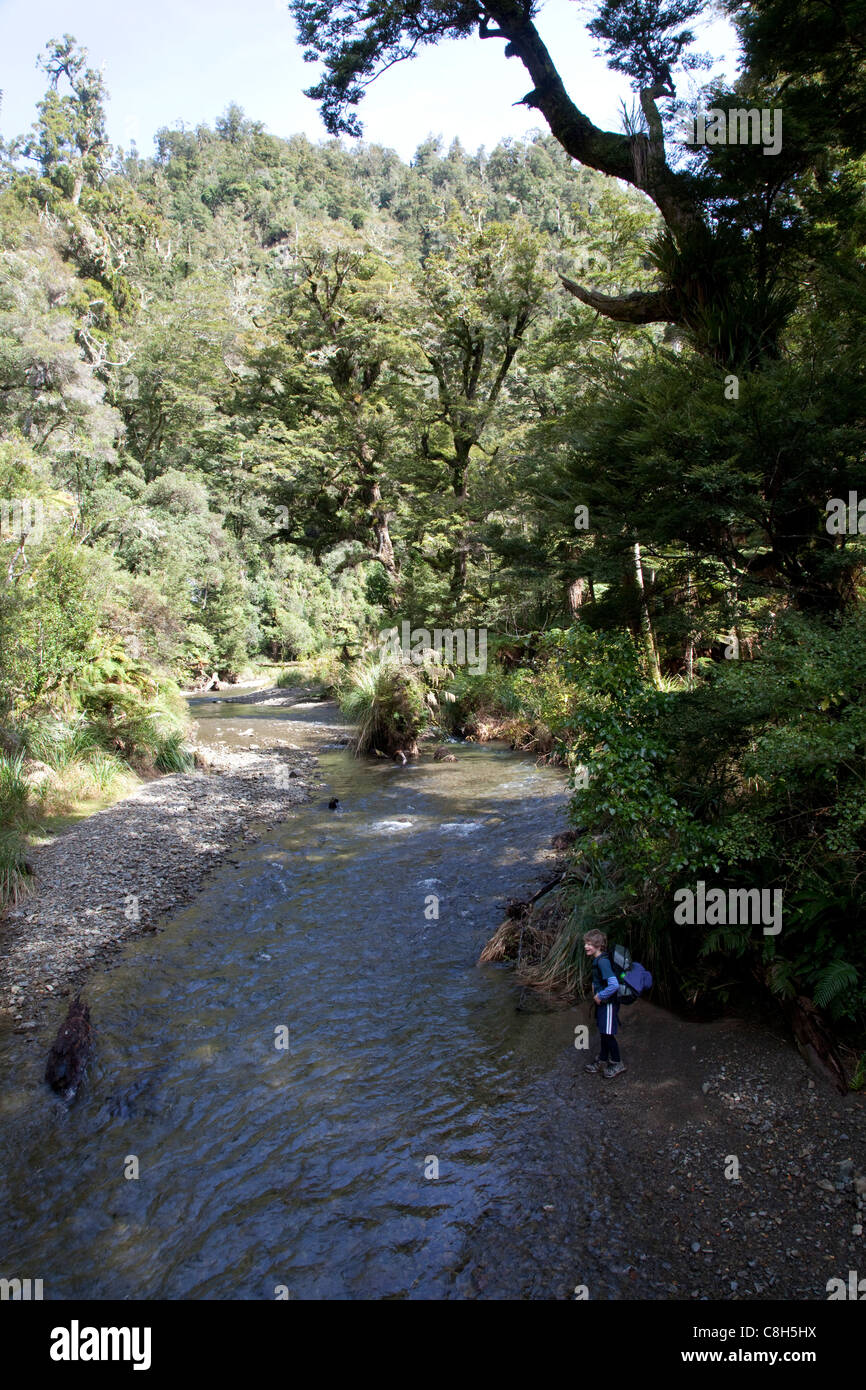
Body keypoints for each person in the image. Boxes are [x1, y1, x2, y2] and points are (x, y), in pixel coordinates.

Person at [582, 929, 626, 1079]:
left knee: (608, 1034)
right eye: (585, 943)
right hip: (603, 1004)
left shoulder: (603, 962)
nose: (586, 947)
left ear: (599, 945)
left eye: (589, 944)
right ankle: (602, 1060)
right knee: (603, 1033)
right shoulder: (598, 960)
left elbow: (613, 984)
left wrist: (600, 995)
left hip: (608, 1005)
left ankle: (617, 1063)